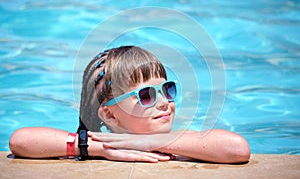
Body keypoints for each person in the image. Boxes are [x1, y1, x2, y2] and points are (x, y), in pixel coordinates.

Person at [9, 45, 250, 163]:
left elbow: (237, 148)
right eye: (146, 95)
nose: (165, 102)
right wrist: (96, 149)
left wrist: (154, 141)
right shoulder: (100, 146)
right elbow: (21, 140)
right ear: (110, 115)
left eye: (167, 89)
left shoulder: (182, 145)